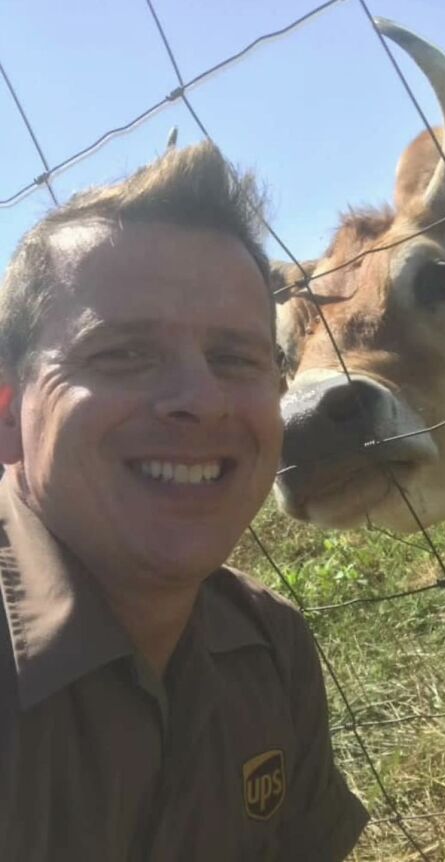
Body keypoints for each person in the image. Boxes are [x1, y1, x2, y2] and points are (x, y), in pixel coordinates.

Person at [0, 141, 368, 861]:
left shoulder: (270, 647)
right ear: (10, 413)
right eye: (124, 354)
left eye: (235, 358)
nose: (201, 400)